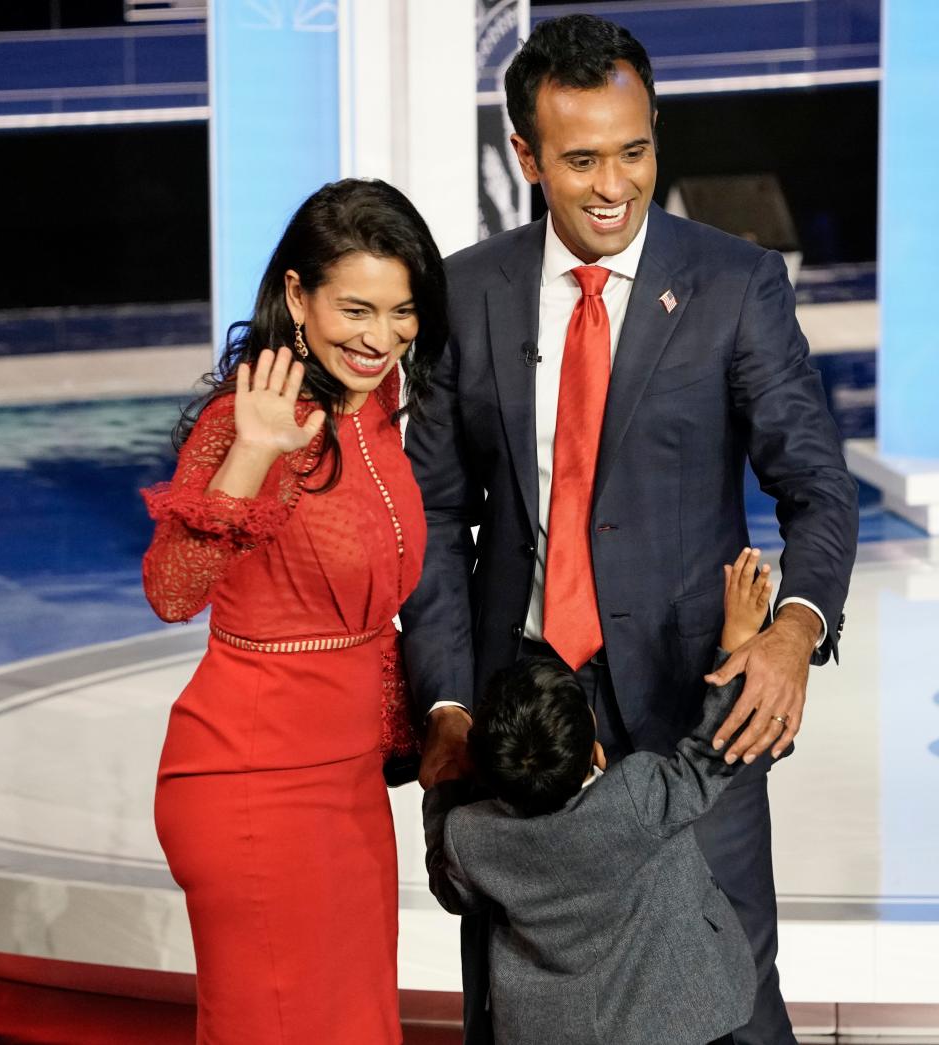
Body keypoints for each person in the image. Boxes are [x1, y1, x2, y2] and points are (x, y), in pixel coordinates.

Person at [399, 14, 859, 1045]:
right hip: (515, 710)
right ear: (526, 155)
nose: (615, 185)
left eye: (636, 149)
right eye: (582, 159)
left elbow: (819, 488)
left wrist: (791, 631)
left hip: (700, 694)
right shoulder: (465, 293)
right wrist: (444, 694)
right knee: (515, 999)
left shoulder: (737, 284)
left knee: (736, 992)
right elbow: (433, 509)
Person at [141, 178, 446, 1044]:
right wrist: (251, 453)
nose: (381, 338)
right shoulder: (249, 420)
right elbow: (172, 589)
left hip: (348, 786)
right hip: (252, 785)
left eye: (403, 312)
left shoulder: (382, 406)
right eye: (356, 309)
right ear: (296, 297)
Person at [424, 549, 774, 1045]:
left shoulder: (471, 837)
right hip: (679, 1021)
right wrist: (736, 641)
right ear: (595, 747)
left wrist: (444, 789)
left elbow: (450, 889)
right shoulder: (637, 799)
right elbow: (711, 756)